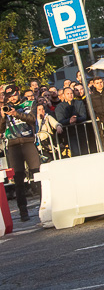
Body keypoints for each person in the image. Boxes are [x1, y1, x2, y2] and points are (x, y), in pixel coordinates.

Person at [0, 85, 40, 221]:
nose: (11, 98)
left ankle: (44, 204)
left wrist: (16, 113)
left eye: (13, 95)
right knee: (18, 178)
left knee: (37, 173)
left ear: (18, 92)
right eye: (8, 96)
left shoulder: (29, 103)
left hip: (28, 141)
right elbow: (1, 129)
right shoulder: (5, 107)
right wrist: (2, 116)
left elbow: (32, 119)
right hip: (13, 145)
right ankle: (23, 210)